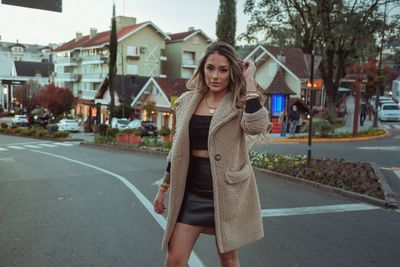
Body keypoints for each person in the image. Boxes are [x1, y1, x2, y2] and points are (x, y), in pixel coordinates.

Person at [153, 42, 271, 267]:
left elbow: (256, 126)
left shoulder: (240, 102)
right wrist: (162, 189)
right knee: (174, 259)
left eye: (223, 70)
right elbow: (176, 150)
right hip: (191, 194)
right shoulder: (187, 101)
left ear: (232, 72)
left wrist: (249, 81)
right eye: (210, 68)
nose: (215, 76)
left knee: (227, 258)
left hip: (226, 193)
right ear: (202, 69)